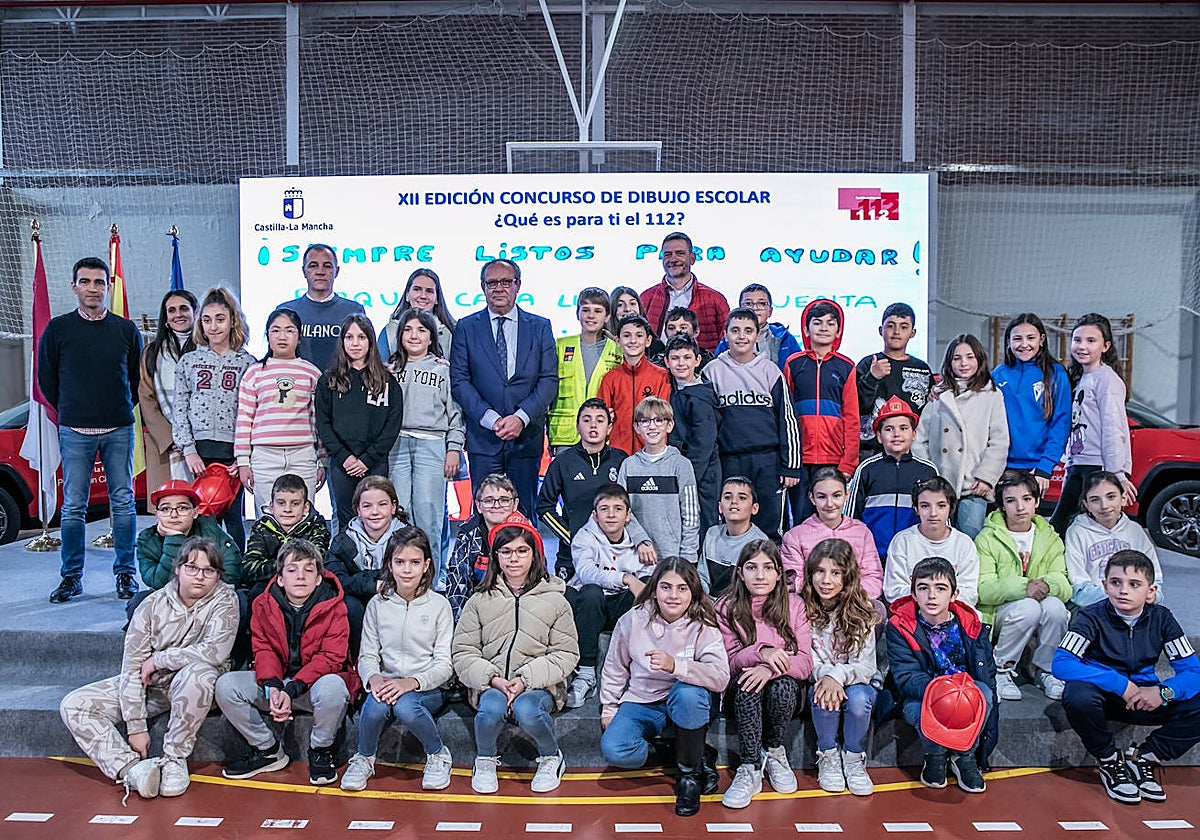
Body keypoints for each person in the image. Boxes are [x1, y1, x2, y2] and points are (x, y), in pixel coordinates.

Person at [60, 536, 238, 799]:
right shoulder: (152, 605)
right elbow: (133, 667)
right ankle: (133, 770)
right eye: (192, 568)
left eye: (208, 571)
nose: (200, 577)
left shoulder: (226, 599)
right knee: (75, 704)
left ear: (217, 575)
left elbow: (214, 651)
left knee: (198, 674)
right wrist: (136, 726)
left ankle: (175, 758)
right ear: (178, 569)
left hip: (194, 687)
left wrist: (159, 660)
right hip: (152, 687)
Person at [1053, 550, 1200, 805]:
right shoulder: (1090, 617)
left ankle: (1145, 756)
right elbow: (1062, 664)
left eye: (1134, 584)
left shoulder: (1163, 619)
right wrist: (1118, 683)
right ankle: (1109, 760)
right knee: (1077, 694)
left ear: (1151, 590)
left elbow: (1193, 672)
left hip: (1146, 697)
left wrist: (1164, 691)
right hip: (1105, 697)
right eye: (1116, 582)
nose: (1123, 590)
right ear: (1104, 585)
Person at [39, 256, 143, 604]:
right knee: (73, 507)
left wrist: (113, 408)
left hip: (118, 429)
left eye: (99, 282)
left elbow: (133, 378)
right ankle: (71, 578)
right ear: (74, 287)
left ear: (108, 287)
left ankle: (126, 575)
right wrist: (73, 410)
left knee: (123, 503)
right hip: (74, 431)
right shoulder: (58, 329)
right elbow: (47, 381)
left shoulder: (126, 330)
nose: (93, 289)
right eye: (85, 282)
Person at [216, 539, 359, 786]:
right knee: (226, 685)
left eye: (308, 570)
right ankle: (267, 750)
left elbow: (331, 658)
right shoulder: (262, 604)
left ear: (318, 577)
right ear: (280, 578)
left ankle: (320, 750)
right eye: (292, 570)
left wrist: (292, 688)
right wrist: (273, 687)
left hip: (311, 687)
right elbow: (263, 649)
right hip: (280, 683)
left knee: (335, 687)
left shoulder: (335, 606)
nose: (300, 577)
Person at [451, 519, 579, 794]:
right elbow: (463, 652)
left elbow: (566, 653)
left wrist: (525, 679)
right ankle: (485, 759)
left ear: (536, 554)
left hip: (540, 683)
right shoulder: (479, 600)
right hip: (493, 682)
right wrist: (492, 678)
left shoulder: (556, 599)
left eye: (522, 551)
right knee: (490, 711)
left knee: (527, 709)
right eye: (506, 551)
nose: (514, 558)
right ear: (495, 556)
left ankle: (551, 756)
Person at [600, 557, 730, 817]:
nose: (673, 595)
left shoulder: (704, 623)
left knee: (689, 695)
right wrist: (609, 707)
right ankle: (690, 751)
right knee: (614, 749)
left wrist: (676, 666)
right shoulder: (633, 620)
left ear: (693, 592)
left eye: (682, 588)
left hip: (686, 700)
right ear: (654, 589)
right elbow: (614, 666)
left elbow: (720, 678)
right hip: (643, 699)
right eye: (666, 587)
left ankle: (688, 778)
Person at [341, 526, 454, 792]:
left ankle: (438, 754)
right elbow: (368, 654)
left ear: (426, 565)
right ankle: (365, 758)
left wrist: (411, 682)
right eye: (399, 562)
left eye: (415, 563)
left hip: (426, 687)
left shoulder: (439, 605)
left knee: (405, 706)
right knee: (375, 705)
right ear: (389, 565)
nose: (407, 570)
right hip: (387, 682)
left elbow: (444, 664)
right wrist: (375, 678)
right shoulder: (377, 605)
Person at [450, 259, 557, 518]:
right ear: (483, 287)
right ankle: (485, 561)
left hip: (526, 438)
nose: (499, 288)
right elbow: (460, 381)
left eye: (506, 282)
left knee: (523, 512)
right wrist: (492, 420)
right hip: (484, 438)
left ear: (518, 285)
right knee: (484, 513)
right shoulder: (466, 327)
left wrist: (520, 418)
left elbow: (548, 380)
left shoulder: (540, 326)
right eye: (492, 283)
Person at [886, 558, 997, 793]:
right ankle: (934, 755)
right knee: (917, 710)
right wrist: (944, 692)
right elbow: (905, 676)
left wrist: (964, 695)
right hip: (923, 695)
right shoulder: (900, 626)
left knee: (984, 693)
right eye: (923, 588)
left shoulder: (971, 623)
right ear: (914, 594)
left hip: (965, 691)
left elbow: (987, 670)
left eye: (940, 588)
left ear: (954, 594)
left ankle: (964, 756)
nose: (931, 596)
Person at [716, 541, 812, 809]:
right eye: (752, 568)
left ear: (780, 573)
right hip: (741, 686)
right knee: (749, 685)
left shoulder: (795, 605)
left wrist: (769, 668)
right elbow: (729, 662)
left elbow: (804, 663)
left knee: (782, 685)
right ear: (739, 572)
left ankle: (773, 748)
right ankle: (749, 766)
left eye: (768, 568)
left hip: (785, 685)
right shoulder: (726, 607)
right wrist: (762, 651)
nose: (760, 575)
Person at [705, 308, 802, 542]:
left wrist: (790, 466)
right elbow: (706, 422)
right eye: (735, 330)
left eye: (748, 331)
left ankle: (771, 571)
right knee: (732, 520)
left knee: (770, 523)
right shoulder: (712, 371)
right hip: (729, 459)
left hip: (767, 460)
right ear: (725, 335)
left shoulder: (770, 371)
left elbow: (788, 419)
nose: (741, 336)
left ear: (758, 335)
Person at [976, 469, 1070, 701]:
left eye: (1027, 499)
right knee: (1028, 607)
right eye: (1011, 501)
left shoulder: (1050, 537)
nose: (1020, 507)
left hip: (1037, 607)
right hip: (999, 613)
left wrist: (1046, 586)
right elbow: (983, 589)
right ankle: (1000, 670)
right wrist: (1024, 588)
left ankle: (1046, 670)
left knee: (1056, 607)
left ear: (1037, 501)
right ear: (1001, 506)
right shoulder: (987, 538)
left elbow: (1064, 585)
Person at [174, 287, 256, 549]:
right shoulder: (189, 362)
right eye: (207, 320)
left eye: (220, 319)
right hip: (199, 451)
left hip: (233, 450)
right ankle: (202, 570)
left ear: (233, 320)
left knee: (233, 515)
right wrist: (189, 450)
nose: (213, 326)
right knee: (203, 515)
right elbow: (180, 409)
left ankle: (235, 572)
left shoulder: (248, 363)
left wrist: (243, 456)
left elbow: (253, 412)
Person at [388, 308, 464, 587]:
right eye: (408, 330)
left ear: (432, 336)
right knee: (400, 512)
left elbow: (456, 413)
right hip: (396, 445)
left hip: (432, 444)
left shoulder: (443, 369)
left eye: (421, 330)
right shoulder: (389, 370)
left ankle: (433, 580)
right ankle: (401, 577)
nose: (414, 335)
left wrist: (453, 447)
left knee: (429, 513)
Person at [801, 538, 879, 796]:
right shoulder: (801, 608)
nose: (826, 580)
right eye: (820, 571)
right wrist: (826, 676)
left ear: (848, 576)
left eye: (835, 573)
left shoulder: (863, 610)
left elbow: (866, 666)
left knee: (858, 700)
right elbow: (804, 656)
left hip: (857, 683)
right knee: (825, 696)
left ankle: (854, 757)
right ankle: (828, 755)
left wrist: (837, 675)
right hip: (819, 682)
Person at [564, 483, 653, 709]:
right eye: (604, 509)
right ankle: (585, 673)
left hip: (620, 605)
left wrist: (636, 582)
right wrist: (626, 578)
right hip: (591, 606)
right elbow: (586, 573)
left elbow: (649, 576)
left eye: (618, 509)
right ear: (595, 514)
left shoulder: (640, 544)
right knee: (590, 591)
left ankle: (640, 670)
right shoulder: (584, 536)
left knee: (649, 592)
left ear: (628, 515)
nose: (611, 515)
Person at [538, 398, 646, 581]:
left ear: (609, 428)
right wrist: (570, 536)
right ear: (578, 427)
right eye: (587, 420)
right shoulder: (563, 462)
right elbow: (544, 506)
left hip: (616, 551)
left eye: (600, 420)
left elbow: (633, 505)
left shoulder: (621, 460)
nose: (593, 425)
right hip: (572, 552)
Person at [912, 334, 1009, 539]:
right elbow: (920, 439)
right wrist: (929, 476)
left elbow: (999, 441)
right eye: (957, 358)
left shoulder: (991, 395)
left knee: (970, 541)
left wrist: (986, 477)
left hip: (973, 485)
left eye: (970, 357)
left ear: (979, 360)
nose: (963, 363)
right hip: (939, 485)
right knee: (937, 541)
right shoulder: (938, 395)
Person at [1050, 314, 1137, 536]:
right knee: (1063, 527)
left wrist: (1116, 473)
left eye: (1091, 340)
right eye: (1077, 340)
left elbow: (1113, 428)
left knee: (1076, 528)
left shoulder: (1107, 379)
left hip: (1097, 467)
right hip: (1078, 463)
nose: (1082, 346)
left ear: (1106, 345)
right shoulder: (1080, 378)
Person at [316, 314, 404, 530]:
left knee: (376, 519)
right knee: (345, 520)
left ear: (370, 341)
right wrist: (345, 457)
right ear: (342, 341)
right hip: (341, 464)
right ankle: (346, 564)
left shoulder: (387, 381)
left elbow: (392, 426)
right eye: (349, 337)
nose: (355, 343)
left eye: (361, 337)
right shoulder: (329, 380)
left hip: (374, 463)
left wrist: (367, 459)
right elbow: (323, 424)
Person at [235, 308, 325, 514]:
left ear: (299, 336)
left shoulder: (312, 373)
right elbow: (244, 420)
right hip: (264, 457)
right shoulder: (254, 373)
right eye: (275, 331)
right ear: (267, 335)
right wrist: (243, 462)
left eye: (289, 330)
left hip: (303, 455)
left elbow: (318, 420)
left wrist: (322, 461)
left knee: (302, 517)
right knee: (267, 518)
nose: (282, 336)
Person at [782, 299, 859, 521]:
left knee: (830, 516)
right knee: (801, 516)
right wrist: (788, 459)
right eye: (817, 322)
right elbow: (785, 415)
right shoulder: (793, 363)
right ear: (806, 329)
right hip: (800, 458)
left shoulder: (846, 366)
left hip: (833, 457)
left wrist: (848, 462)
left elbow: (851, 418)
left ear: (838, 331)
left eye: (830, 323)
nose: (824, 327)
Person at [846, 396, 937, 563]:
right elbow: (852, 518)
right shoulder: (866, 469)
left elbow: (940, 517)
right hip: (872, 559)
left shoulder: (928, 471)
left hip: (916, 558)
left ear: (914, 434)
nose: (896, 434)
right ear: (879, 436)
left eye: (903, 428)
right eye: (888, 429)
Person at [324, 476, 409, 655]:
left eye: (382, 504)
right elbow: (336, 579)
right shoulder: (344, 540)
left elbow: (416, 575)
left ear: (393, 507)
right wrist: (373, 585)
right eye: (367, 506)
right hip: (357, 599)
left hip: (397, 596)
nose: (375, 512)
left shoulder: (408, 538)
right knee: (349, 607)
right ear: (358, 510)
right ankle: (357, 660)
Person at [992, 313, 1071, 499]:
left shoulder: (1055, 373)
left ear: (1041, 340)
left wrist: (1045, 466)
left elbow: (1061, 423)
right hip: (1001, 465)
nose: (1024, 344)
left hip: (1036, 468)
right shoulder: (999, 374)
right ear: (1009, 341)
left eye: (1030, 338)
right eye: (1017, 338)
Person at [781, 467, 883, 604]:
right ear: (812, 498)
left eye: (836, 496)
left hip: (853, 605)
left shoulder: (861, 532)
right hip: (811, 606)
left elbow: (873, 578)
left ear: (847, 495)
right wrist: (823, 597)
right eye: (822, 497)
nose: (830, 504)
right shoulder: (795, 536)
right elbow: (793, 581)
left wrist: (844, 596)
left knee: (879, 608)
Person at [1065, 470, 1165, 609]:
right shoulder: (1077, 532)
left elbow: (1155, 577)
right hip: (1093, 607)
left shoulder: (1135, 531)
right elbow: (1078, 586)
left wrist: (1154, 594)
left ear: (1123, 498)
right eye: (1095, 500)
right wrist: (1117, 597)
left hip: (1135, 604)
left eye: (1111, 497)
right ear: (1086, 504)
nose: (1104, 506)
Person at [617, 397, 700, 561]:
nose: (652, 426)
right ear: (636, 427)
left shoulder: (681, 464)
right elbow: (622, 510)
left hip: (674, 556)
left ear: (669, 425)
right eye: (645, 421)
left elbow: (691, 514)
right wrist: (640, 540)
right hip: (636, 555)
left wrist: (687, 556)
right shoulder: (628, 465)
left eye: (659, 420)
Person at [547, 287, 623, 451]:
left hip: (604, 436)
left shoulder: (618, 351)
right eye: (586, 310)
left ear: (608, 316)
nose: (591, 316)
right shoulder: (560, 346)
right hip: (565, 434)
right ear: (577, 313)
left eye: (598, 311)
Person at [884, 477, 980, 607]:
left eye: (941, 506)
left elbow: (969, 593)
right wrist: (926, 605)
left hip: (953, 613)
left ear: (950, 508)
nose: (933, 513)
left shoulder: (964, 543)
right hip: (911, 613)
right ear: (916, 509)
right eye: (925, 506)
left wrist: (940, 607)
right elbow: (893, 590)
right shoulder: (902, 541)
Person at [136, 480, 242, 595]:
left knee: (242, 598)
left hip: (212, 596)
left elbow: (232, 571)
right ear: (157, 515)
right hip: (168, 599)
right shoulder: (147, 538)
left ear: (195, 512)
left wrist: (197, 590)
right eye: (165, 509)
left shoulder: (210, 528)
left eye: (182, 508)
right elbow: (157, 582)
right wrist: (175, 539)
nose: (174, 515)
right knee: (137, 602)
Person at [855, 303, 932, 456]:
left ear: (913, 332)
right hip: (871, 451)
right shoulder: (868, 364)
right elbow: (856, 407)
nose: (896, 332)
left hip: (912, 451)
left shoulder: (922, 368)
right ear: (880, 330)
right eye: (890, 326)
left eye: (904, 327)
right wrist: (872, 378)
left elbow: (928, 412)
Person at [139, 289, 197, 490]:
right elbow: (146, 400)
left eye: (184, 308)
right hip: (165, 445)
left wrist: (191, 437)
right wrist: (171, 437)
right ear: (165, 317)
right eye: (171, 310)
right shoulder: (151, 353)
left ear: (195, 312)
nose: (178, 314)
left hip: (202, 442)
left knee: (206, 508)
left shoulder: (209, 349)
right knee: (171, 508)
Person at [443, 474, 521, 621]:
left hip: (517, 609)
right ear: (478, 506)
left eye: (504, 500)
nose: (496, 506)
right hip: (477, 608)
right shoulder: (468, 532)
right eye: (489, 500)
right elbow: (457, 583)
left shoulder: (526, 532)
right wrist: (462, 624)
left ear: (515, 504)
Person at [665, 334, 722, 534]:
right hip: (680, 471)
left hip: (702, 474)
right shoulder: (670, 390)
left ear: (697, 360)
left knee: (703, 525)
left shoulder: (701, 396)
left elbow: (703, 444)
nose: (681, 363)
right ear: (667, 361)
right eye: (675, 358)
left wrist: (688, 478)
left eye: (687, 357)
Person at [242, 474, 331, 598]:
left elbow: (316, 563)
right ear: (271, 506)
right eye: (281, 503)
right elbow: (249, 568)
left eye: (295, 503)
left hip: (306, 585)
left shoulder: (316, 527)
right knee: (256, 592)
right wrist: (289, 567)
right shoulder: (261, 528)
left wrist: (284, 567)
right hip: (270, 586)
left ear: (306, 507)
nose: (287, 509)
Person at [639, 232, 730, 353]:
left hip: (702, 368)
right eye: (668, 254)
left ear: (692, 258)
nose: (673, 259)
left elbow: (727, 341)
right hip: (657, 368)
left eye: (680, 253)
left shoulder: (715, 300)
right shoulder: (646, 298)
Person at [281, 243, 365, 372]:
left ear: (336, 271)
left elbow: (363, 357)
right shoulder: (286, 311)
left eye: (327, 266)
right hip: (296, 385)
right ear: (304, 271)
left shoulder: (353, 310)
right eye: (313, 266)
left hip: (342, 384)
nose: (320, 272)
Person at [596, 314, 671, 456]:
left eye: (639, 335)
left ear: (648, 340)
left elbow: (664, 417)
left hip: (652, 453)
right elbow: (603, 418)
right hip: (617, 452)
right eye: (627, 335)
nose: (633, 341)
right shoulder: (609, 378)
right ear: (618, 340)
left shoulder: (662, 376)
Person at [700, 476, 768, 596]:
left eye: (742, 498)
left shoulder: (759, 543)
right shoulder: (712, 534)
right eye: (727, 497)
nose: (734, 502)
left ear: (754, 508)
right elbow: (702, 577)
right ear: (720, 507)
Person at [714, 284, 801, 371]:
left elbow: (799, 370)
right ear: (740, 309)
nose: (755, 308)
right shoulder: (730, 339)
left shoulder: (785, 339)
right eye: (748, 303)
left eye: (761, 303)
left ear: (770, 311)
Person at [378, 267, 457, 362]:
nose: (423, 296)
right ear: (407, 295)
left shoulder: (452, 332)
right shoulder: (390, 331)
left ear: (437, 298)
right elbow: (380, 369)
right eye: (417, 289)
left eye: (429, 291)